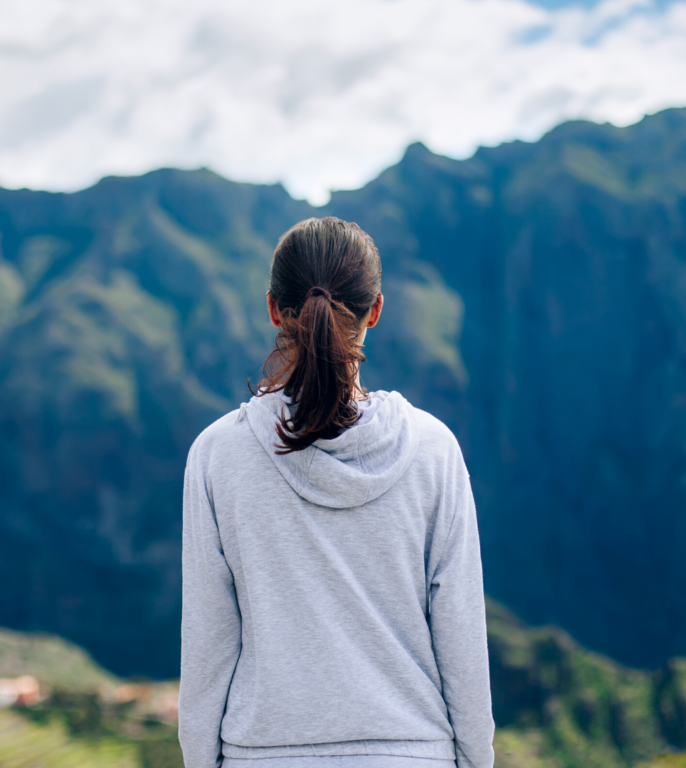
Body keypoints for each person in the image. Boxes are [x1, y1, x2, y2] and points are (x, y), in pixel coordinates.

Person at [179, 217, 495, 768]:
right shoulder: (433, 450)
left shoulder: (217, 456)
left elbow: (208, 651)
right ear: (375, 310)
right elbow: (462, 644)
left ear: (275, 309)